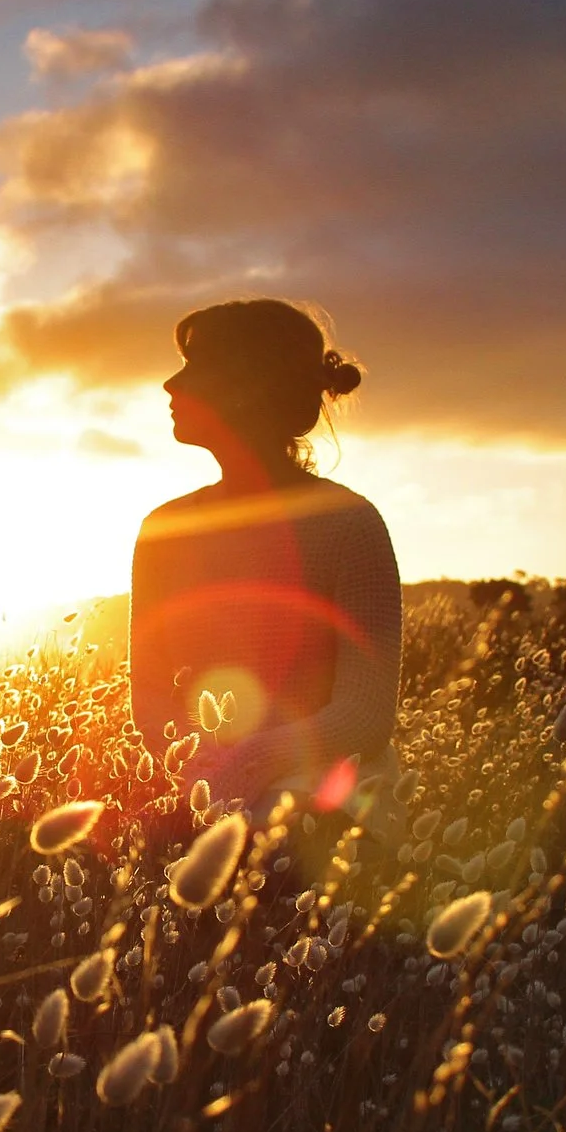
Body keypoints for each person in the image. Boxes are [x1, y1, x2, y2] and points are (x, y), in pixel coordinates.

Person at [129, 298, 402, 817]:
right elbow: (150, 694)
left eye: (195, 367)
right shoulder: (164, 529)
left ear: (247, 385)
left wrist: (248, 767)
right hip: (204, 786)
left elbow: (365, 716)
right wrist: (203, 774)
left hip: (327, 798)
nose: (170, 385)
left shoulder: (348, 525)